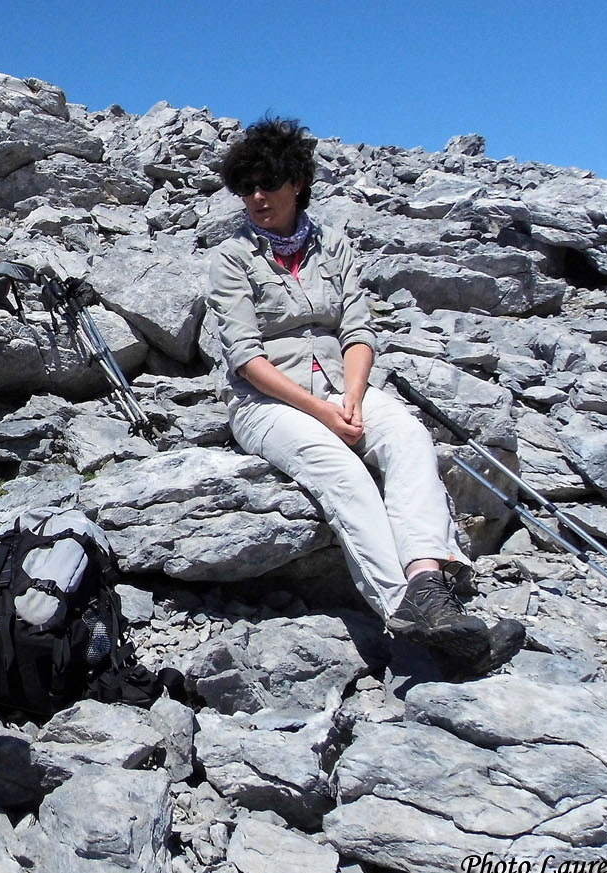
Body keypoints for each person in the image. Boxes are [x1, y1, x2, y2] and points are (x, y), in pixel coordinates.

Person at [205, 117, 524, 677]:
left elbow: (357, 330)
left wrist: (350, 398)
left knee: (407, 436)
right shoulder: (231, 257)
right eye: (246, 187)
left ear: (296, 183)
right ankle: (405, 610)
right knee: (343, 473)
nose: (256, 197)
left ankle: (428, 584)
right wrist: (323, 413)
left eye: (267, 183)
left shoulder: (333, 246)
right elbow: (246, 358)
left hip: (341, 385)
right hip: (264, 403)